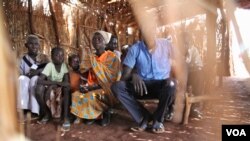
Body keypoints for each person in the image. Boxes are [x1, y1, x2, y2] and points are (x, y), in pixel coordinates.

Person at [111, 32, 176, 133]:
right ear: (141, 34)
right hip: (142, 87)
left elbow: (181, 62)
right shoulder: (134, 49)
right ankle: (144, 117)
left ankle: (157, 120)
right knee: (117, 87)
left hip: (162, 87)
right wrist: (133, 75)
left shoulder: (166, 45)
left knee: (172, 84)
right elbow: (124, 77)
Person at [70, 30, 121, 127]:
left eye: (99, 39)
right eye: (94, 38)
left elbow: (113, 79)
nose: (96, 40)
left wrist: (92, 87)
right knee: (76, 95)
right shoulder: (90, 57)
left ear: (104, 42)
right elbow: (82, 71)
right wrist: (85, 86)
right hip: (90, 86)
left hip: (107, 88)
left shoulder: (113, 57)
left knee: (92, 96)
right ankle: (92, 116)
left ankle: (105, 112)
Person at [35, 47, 69, 124]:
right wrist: (55, 83)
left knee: (67, 89)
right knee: (38, 90)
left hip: (60, 87)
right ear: (52, 57)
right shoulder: (50, 65)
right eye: (57, 55)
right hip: (51, 86)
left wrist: (57, 84)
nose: (60, 57)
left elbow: (67, 82)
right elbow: (40, 80)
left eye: (62, 55)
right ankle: (46, 113)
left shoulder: (64, 66)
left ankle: (65, 116)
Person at [18, 34, 49, 117]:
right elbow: (19, 73)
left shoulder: (44, 58)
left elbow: (49, 71)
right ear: (26, 45)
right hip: (26, 79)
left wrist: (39, 71)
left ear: (39, 45)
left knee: (34, 79)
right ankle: (23, 108)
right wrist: (27, 75)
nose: (34, 46)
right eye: (31, 44)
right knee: (22, 79)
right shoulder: (22, 59)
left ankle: (34, 111)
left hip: (39, 81)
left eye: (36, 44)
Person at [182, 32, 204, 118]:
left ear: (190, 42)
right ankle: (180, 107)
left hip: (193, 73)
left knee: (199, 77)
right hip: (185, 73)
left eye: (187, 42)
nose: (185, 44)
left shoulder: (192, 50)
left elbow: (193, 63)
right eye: (184, 42)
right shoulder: (179, 49)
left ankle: (195, 107)